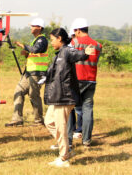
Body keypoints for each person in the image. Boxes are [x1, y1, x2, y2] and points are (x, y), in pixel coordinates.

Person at [43, 28, 94, 168]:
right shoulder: (58, 54)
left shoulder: (66, 51)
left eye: (52, 39)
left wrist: (84, 53)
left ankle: (64, 157)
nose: (51, 42)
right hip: (57, 96)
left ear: (59, 38)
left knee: (61, 127)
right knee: (49, 121)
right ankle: (65, 148)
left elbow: (76, 54)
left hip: (64, 96)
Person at [5, 18, 49, 127]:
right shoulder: (35, 40)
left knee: (34, 96)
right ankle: (17, 119)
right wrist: (26, 54)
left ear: (39, 28)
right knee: (18, 91)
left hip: (37, 73)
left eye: (33, 26)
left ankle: (38, 121)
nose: (31, 28)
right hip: (28, 72)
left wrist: (23, 46)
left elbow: (35, 50)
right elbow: (33, 53)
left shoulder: (42, 40)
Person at [68, 18, 102, 148]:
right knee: (88, 110)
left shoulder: (74, 42)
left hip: (76, 79)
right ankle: (86, 140)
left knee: (70, 108)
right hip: (91, 80)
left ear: (77, 30)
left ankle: (69, 140)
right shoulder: (98, 45)